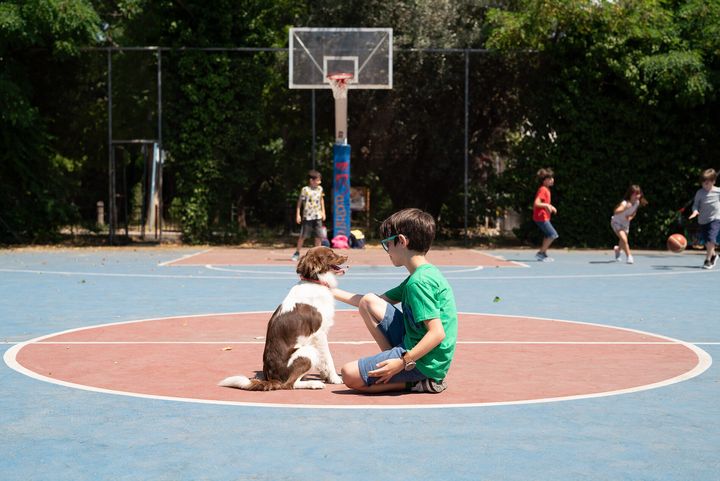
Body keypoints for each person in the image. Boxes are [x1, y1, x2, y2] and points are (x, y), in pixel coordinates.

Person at [330, 208, 458, 394]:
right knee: (368, 301)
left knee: (349, 374)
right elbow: (374, 301)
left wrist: (402, 362)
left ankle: (418, 382)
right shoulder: (423, 273)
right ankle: (395, 364)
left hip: (426, 362)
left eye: (387, 244)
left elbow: (437, 333)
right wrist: (329, 289)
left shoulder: (418, 283)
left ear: (402, 241)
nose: (387, 250)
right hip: (415, 346)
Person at [688, 168, 720, 270]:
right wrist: (695, 211)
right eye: (703, 183)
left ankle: (708, 260)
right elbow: (695, 205)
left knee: (711, 239)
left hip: (715, 219)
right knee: (707, 241)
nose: (705, 185)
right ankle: (714, 255)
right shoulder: (699, 193)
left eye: (707, 183)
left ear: (713, 181)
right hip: (702, 220)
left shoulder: (718, 192)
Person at [292, 170, 326, 262]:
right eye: (318, 180)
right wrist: (298, 214)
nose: (320, 182)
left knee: (319, 236)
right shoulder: (305, 190)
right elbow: (299, 203)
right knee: (303, 236)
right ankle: (297, 252)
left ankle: (317, 255)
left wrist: (323, 212)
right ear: (311, 180)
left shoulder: (320, 189)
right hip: (307, 216)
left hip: (317, 216)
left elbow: (321, 200)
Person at [610, 184, 648, 264]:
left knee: (622, 241)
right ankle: (629, 256)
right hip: (616, 222)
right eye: (635, 194)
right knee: (624, 239)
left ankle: (618, 250)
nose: (638, 196)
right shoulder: (624, 203)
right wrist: (625, 208)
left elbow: (634, 213)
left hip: (625, 224)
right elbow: (616, 211)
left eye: (639, 193)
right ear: (630, 194)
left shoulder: (637, 203)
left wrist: (630, 217)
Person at [533, 168, 558, 262]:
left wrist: (550, 206)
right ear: (544, 180)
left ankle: (543, 254)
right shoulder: (543, 189)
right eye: (550, 178)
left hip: (543, 217)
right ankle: (540, 253)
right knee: (553, 234)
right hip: (540, 217)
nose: (552, 180)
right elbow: (536, 203)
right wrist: (547, 205)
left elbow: (543, 204)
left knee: (548, 235)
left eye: (552, 178)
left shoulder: (546, 190)